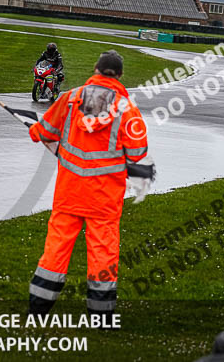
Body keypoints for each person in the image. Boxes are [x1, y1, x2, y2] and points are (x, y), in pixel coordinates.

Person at [26, 50, 151, 318]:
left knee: (55, 252)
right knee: (103, 256)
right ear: (119, 76)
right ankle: (101, 316)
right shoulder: (127, 109)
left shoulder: (70, 98)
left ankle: (38, 309)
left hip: (69, 193)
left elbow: (45, 131)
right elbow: (138, 154)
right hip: (104, 199)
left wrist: (34, 130)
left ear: (95, 69)